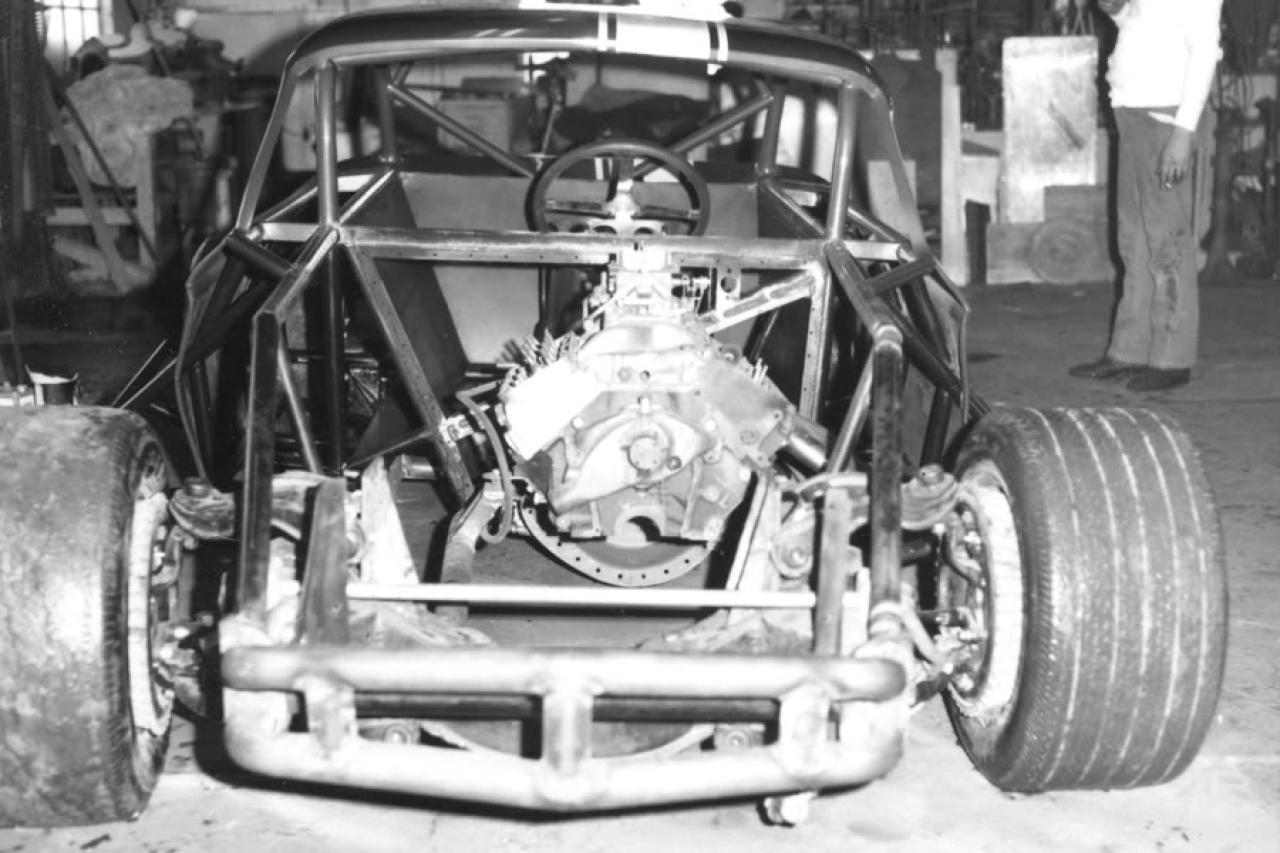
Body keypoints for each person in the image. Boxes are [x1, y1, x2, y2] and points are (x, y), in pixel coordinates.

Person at [1069, 0, 1223, 391]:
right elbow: (1139, 23)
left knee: (1167, 243)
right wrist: (1116, 9)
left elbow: (1204, 49)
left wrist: (1182, 134)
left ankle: (1172, 358)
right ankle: (1129, 350)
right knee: (1134, 242)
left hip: (1164, 118)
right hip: (1132, 113)